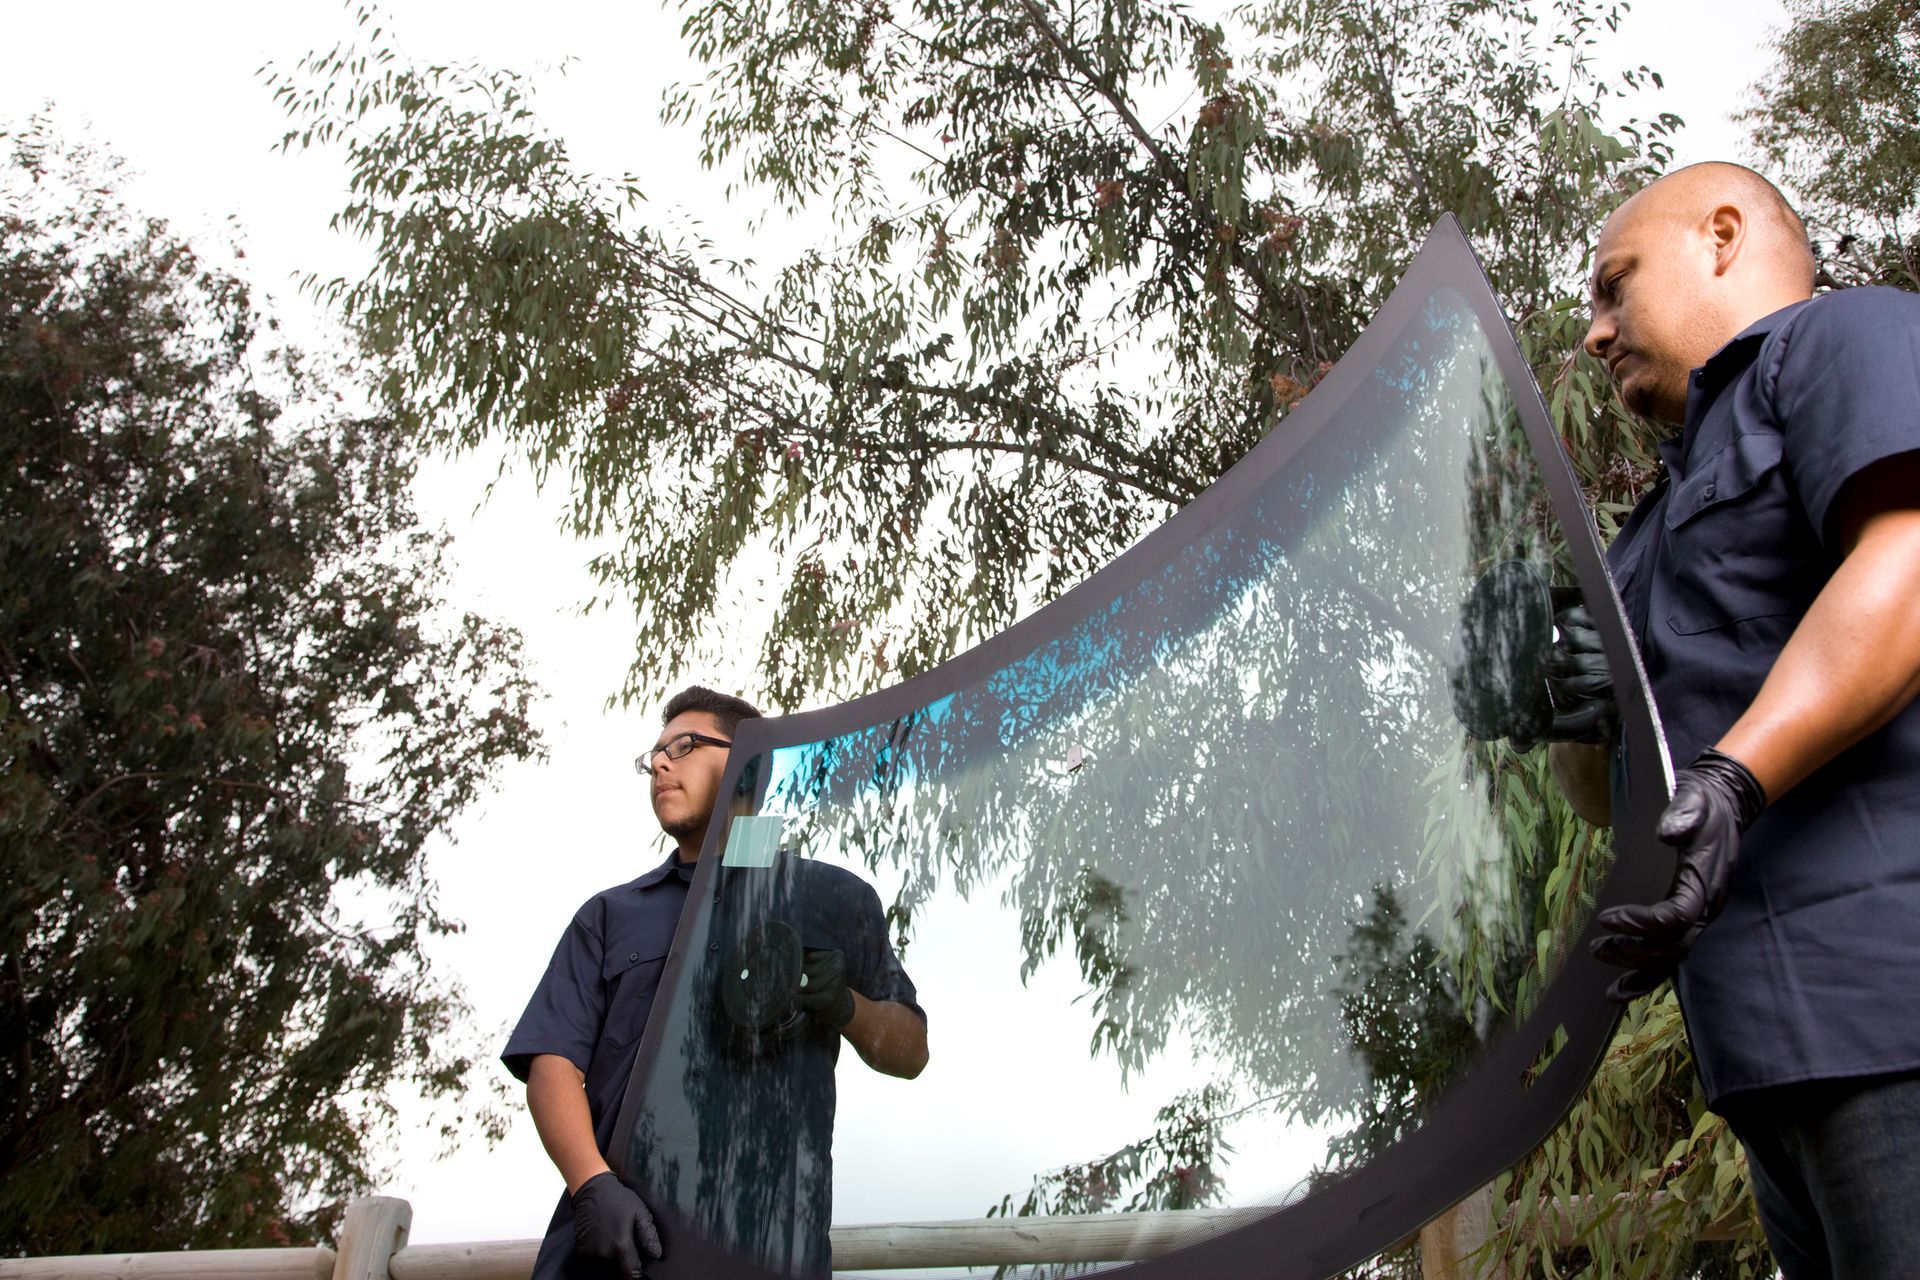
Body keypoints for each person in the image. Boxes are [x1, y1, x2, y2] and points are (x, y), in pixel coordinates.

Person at [1548, 161, 1920, 1278]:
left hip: (1891, 1011)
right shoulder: (1645, 525)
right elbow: (1611, 800)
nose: (1596, 333)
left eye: (1616, 286)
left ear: (1722, 235)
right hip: (1762, 1058)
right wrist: (1577, 711)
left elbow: (1907, 563)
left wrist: (1735, 775)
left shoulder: (1845, 341)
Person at [502, 686, 929, 1280]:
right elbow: (552, 1063)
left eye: (684, 745)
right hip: (614, 1249)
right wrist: (591, 1185)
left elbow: (910, 1052)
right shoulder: (609, 915)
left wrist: (842, 1004)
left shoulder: (832, 898)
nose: (659, 763)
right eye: (653, 753)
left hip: (767, 1250)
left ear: (748, 766)